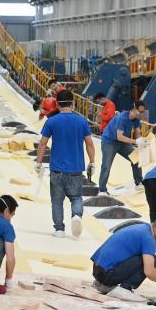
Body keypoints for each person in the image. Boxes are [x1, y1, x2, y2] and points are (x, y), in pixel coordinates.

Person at [36, 88, 96, 238]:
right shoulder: (82, 121)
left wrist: (38, 163)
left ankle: (59, 229)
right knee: (76, 197)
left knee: (57, 201)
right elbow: (89, 144)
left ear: (57, 104)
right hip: (76, 169)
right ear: (73, 103)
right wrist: (92, 162)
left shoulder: (51, 121)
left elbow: (43, 143)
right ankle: (76, 215)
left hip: (57, 169)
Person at [90, 218, 156, 302]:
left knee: (152, 260)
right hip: (107, 274)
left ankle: (102, 283)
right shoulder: (149, 239)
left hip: (99, 271)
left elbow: (155, 261)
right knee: (147, 263)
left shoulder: (144, 229)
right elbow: (149, 271)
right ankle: (124, 288)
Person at [98, 100, 146, 194]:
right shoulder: (122, 118)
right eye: (140, 111)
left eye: (143, 112)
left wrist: (141, 141)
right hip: (109, 141)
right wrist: (136, 141)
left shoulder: (136, 119)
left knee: (136, 158)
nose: (141, 114)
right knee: (106, 166)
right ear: (134, 109)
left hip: (123, 142)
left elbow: (137, 132)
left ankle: (139, 182)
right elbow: (119, 137)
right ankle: (102, 190)